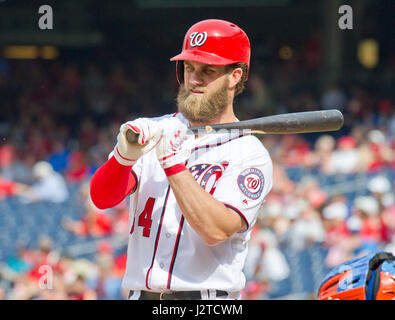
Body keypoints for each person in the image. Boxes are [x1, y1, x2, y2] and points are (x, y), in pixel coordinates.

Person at [90, 19, 273, 300]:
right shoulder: (157, 130)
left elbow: (216, 229)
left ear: (234, 76)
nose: (194, 80)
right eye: (189, 68)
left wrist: (172, 162)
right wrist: (123, 158)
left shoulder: (248, 151)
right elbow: (102, 198)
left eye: (208, 70)